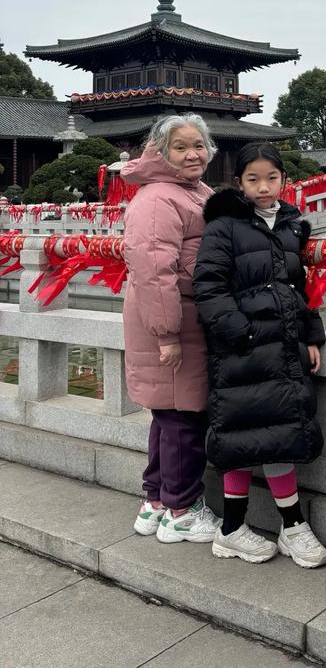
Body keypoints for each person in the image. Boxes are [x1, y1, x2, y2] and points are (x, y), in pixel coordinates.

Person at [193, 142, 326, 567]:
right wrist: (243, 333)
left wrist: (311, 335)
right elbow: (208, 287)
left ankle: (291, 527)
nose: (264, 187)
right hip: (242, 348)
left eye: (272, 177)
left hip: (284, 346)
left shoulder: (291, 226)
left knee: (279, 434)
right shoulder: (224, 227)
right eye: (253, 179)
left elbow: (298, 288)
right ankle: (232, 529)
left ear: (285, 180)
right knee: (240, 436)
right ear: (239, 183)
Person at [121, 114, 220, 543]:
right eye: (180, 147)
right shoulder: (161, 198)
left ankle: (157, 501)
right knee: (182, 418)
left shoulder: (191, 191)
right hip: (171, 320)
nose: (192, 154)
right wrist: (167, 335)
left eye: (198, 145)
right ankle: (182, 509)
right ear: (161, 153)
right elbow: (154, 269)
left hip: (181, 318)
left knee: (167, 416)